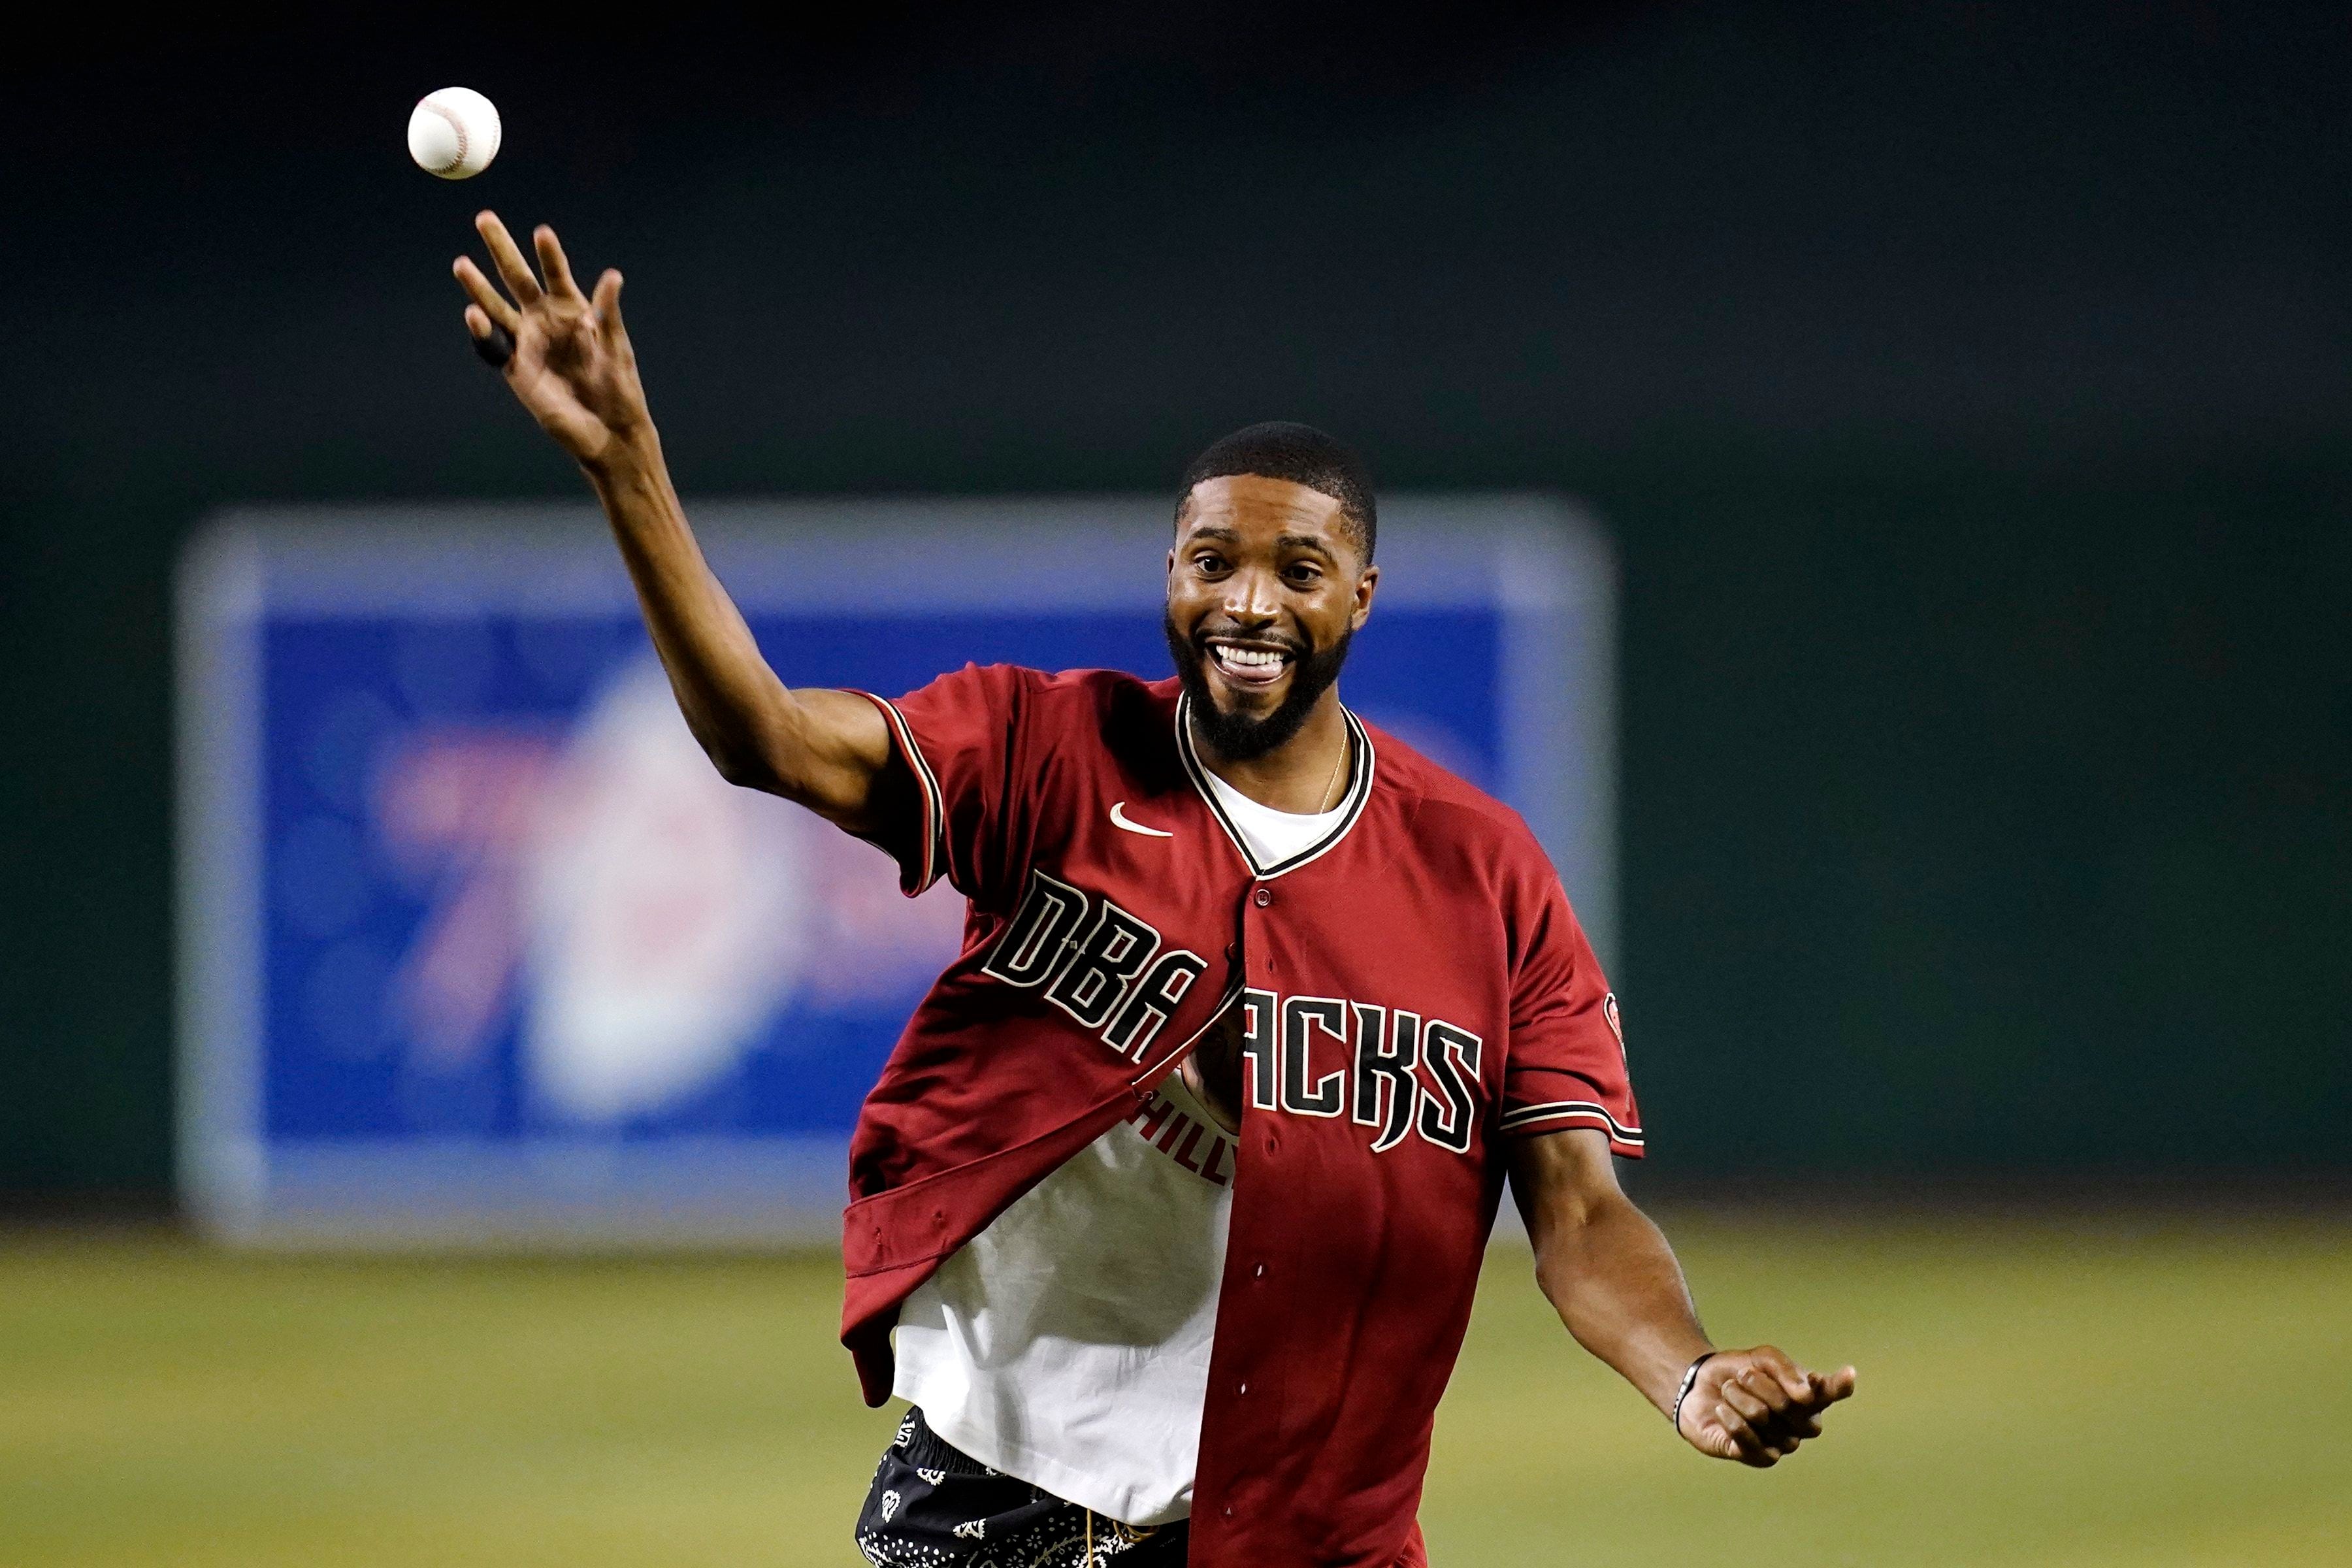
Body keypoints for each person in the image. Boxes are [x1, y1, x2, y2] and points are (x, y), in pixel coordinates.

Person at [451, 211, 1857, 1567]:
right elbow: (765, 738)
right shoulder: (1044, 750)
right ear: (1170, 576)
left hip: (1314, 1533)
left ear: (1362, 594)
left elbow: (1579, 1211)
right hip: (1003, 1489)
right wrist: (628, 466)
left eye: (1298, 569)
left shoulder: (1485, 877)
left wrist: (1688, 1373)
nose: (1249, 602)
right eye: (1212, 561)